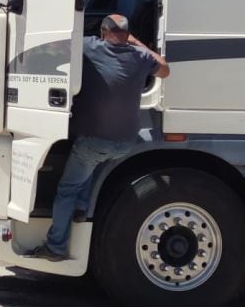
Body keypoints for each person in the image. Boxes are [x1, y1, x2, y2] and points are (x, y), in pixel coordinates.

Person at [26, 13, 170, 262]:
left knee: (67, 188)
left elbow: (53, 49)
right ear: (127, 34)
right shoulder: (140, 56)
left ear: (103, 32)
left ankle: (56, 247)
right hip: (125, 142)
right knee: (90, 165)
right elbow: (165, 70)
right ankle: (82, 208)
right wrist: (136, 42)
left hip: (95, 141)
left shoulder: (91, 46)